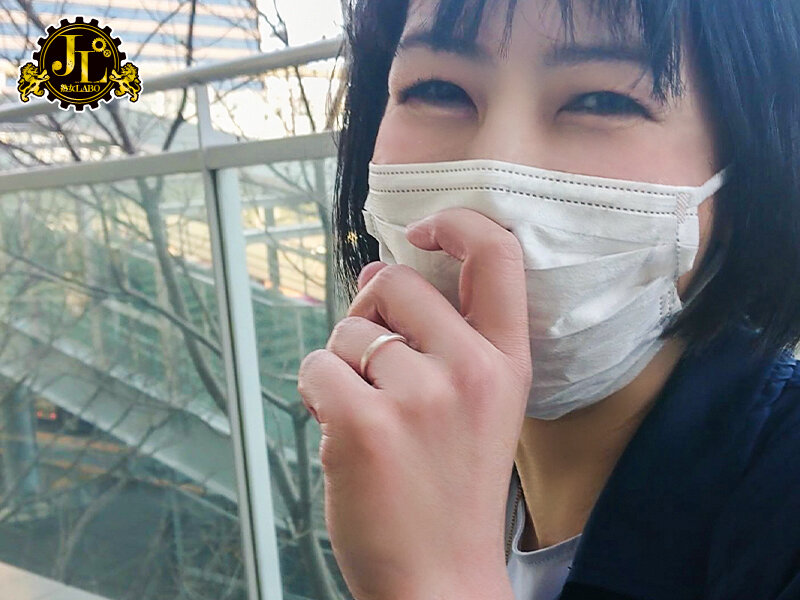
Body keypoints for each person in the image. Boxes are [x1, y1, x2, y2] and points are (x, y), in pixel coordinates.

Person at [297, 1, 800, 599]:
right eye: (437, 89)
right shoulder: (405, 456)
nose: (493, 177)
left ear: (755, 164)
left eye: (602, 101)